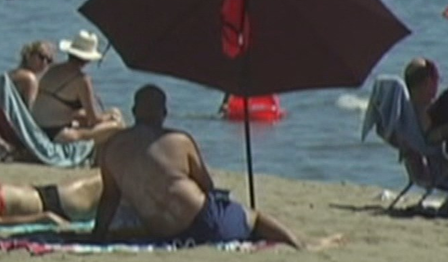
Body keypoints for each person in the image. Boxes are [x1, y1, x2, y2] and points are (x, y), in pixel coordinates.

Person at [93, 84, 313, 249]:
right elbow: (206, 185)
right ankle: (300, 245)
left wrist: (98, 235)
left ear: (134, 110)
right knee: (253, 217)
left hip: (162, 231)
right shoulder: (179, 140)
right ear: (164, 113)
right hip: (202, 222)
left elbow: (109, 198)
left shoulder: (111, 147)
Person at [29, 31, 119, 142]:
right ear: (88, 59)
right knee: (116, 125)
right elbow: (94, 119)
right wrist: (110, 117)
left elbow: (57, 107)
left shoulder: (52, 69)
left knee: (90, 116)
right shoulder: (81, 80)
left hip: (37, 128)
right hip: (57, 133)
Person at [9, 40, 55, 110]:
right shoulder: (30, 79)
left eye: (49, 60)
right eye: (41, 57)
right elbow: (29, 110)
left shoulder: (13, 73)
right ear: (29, 55)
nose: (44, 63)